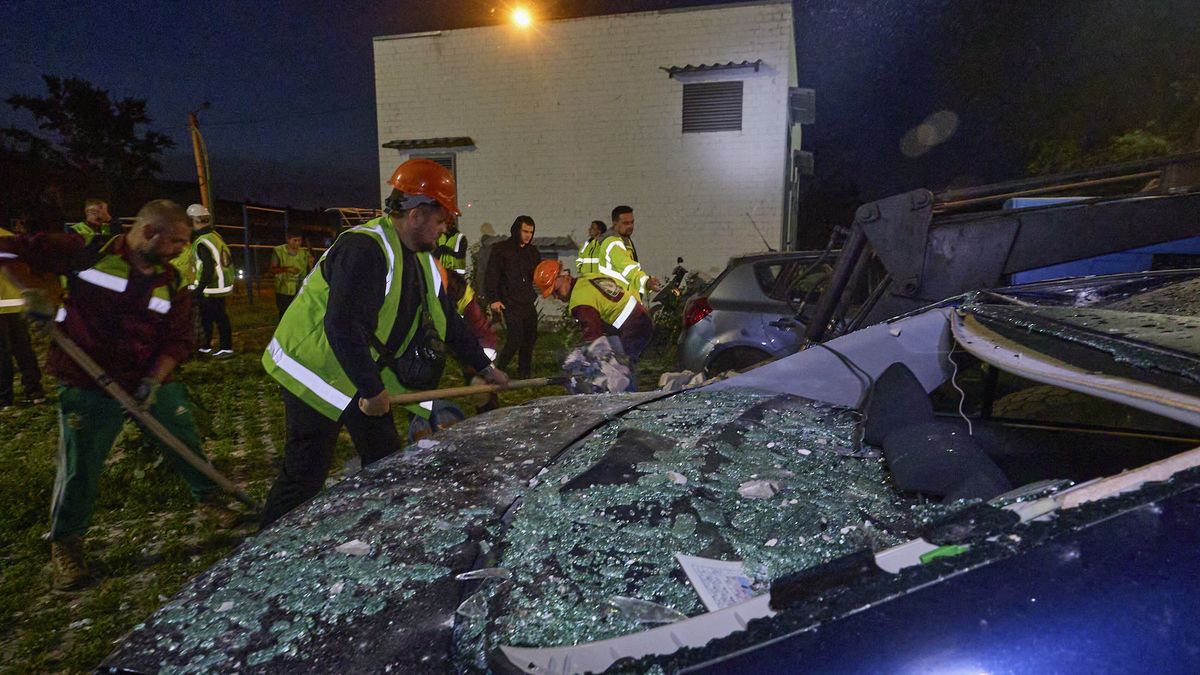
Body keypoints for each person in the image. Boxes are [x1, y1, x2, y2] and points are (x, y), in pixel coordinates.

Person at [0, 199, 239, 590]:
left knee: (183, 436)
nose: (182, 248)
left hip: (146, 379)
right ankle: (66, 545)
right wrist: (30, 292)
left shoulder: (170, 281)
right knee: (82, 464)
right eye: (176, 241)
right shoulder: (85, 252)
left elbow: (178, 341)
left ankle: (210, 500)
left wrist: (153, 382)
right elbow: (5, 248)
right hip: (86, 380)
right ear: (148, 232)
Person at [259, 158, 508, 528]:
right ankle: (263, 550)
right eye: (441, 221)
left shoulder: (421, 259)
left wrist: (484, 367)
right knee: (305, 476)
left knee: (386, 462)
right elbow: (341, 325)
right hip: (317, 372)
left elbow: (449, 321)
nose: (443, 231)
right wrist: (373, 389)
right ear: (417, 214)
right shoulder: (365, 249)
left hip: (357, 375)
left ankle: (385, 532)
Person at [534, 259, 653, 361]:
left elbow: (593, 335)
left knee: (620, 372)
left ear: (564, 277)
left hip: (633, 330)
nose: (555, 296)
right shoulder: (588, 278)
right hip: (641, 318)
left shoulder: (580, 301)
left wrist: (586, 355)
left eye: (555, 290)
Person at [484, 215, 541, 378]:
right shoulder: (501, 250)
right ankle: (498, 370)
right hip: (509, 301)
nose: (528, 235)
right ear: (517, 230)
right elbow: (492, 275)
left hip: (527, 300)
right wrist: (494, 299)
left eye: (531, 232)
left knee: (530, 337)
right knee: (515, 338)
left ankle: (524, 373)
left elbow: (537, 274)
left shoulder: (532, 252)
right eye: (525, 231)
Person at [0, 225, 46, 409]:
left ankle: (4, 398)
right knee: (23, 349)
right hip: (17, 302)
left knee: (2, 354)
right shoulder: (9, 237)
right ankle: (34, 391)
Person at [445, 268, 500, 413]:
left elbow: (478, 331)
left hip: (478, 347)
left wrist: (482, 367)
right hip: (464, 347)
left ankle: (488, 412)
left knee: (479, 386)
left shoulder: (469, 306)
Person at [189, 204, 234, 356]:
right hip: (219, 285)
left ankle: (225, 348)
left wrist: (199, 288)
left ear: (195, 220)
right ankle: (206, 346)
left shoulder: (202, 242)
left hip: (211, 287)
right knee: (209, 317)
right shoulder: (215, 236)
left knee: (218, 318)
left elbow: (207, 268)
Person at [598, 205, 660, 301]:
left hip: (620, 300)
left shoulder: (624, 239)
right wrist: (646, 282)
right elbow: (629, 269)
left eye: (632, 222)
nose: (630, 226)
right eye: (625, 223)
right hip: (617, 303)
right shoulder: (613, 243)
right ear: (615, 223)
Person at [268, 233, 313, 318]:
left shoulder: (304, 252)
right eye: (294, 240)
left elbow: (310, 272)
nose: (297, 243)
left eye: (299, 240)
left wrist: (311, 264)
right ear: (288, 239)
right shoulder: (279, 251)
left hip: (300, 289)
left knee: (299, 314)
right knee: (284, 314)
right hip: (283, 289)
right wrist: (287, 269)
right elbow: (272, 269)